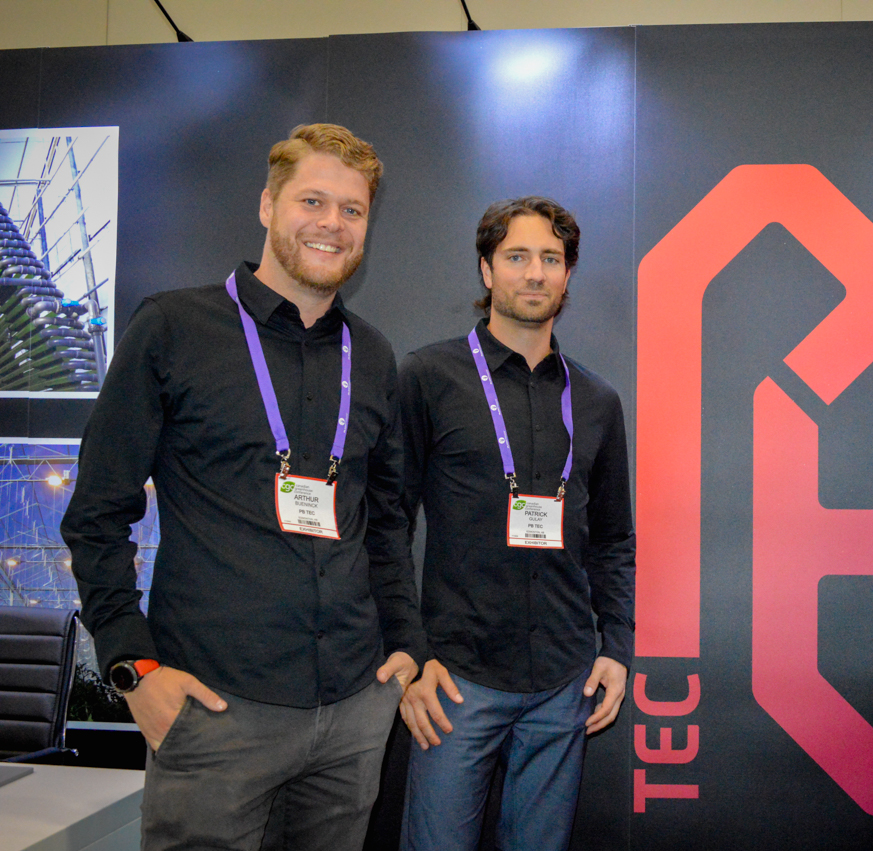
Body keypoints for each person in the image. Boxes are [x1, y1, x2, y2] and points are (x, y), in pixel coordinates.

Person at [61, 123, 427, 851]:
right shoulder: (173, 328)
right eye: (312, 201)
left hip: (353, 711)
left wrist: (406, 643)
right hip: (215, 710)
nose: (331, 223)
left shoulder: (373, 355)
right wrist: (133, 668)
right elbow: (97, 514)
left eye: (351, 210)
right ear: (267, 205)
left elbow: (384, 521)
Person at [397, 196, 635, 851]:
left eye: (551, 259)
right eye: (517, 257)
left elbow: (613, 540)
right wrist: (410, 652)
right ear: (486, 268)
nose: (534, 273)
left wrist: (616, 647)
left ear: (568, 274)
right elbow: (386, 523)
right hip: (455, 679)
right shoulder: (428, 377)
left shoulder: (597, 400)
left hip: (563, 680)